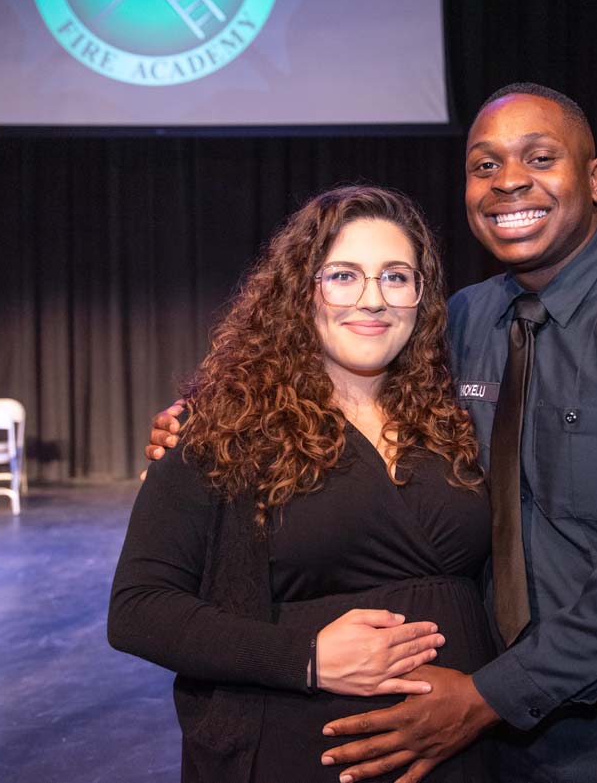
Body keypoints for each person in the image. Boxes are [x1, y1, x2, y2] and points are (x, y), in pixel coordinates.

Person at [147, 85, 597, 782]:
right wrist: (207, 426)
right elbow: (333, 386)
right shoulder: (464, 323)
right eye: (485, 165)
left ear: (595, 180)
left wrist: (487, 696)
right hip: (492, 738)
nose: (510, 180)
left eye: (540, 157)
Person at [109, 185, 499, 782]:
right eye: (343, 276)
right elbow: (139, 610)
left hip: (462, 752)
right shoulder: (224, 425)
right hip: (299, 754)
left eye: (396, 277)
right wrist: (308, 658)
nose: (373, 300)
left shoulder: (454, 414)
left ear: (421, 296)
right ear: (301, 291)